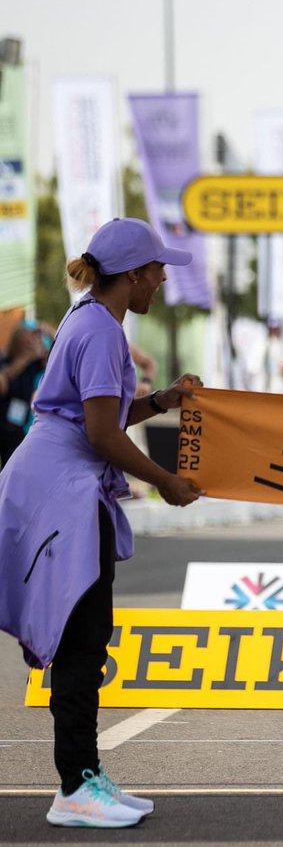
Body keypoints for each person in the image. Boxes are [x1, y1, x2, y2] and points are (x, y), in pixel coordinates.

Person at [0, 218, 204, 828]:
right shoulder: (99, 330)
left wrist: (161, 401)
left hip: (63, 483)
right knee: (82, 641)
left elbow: (102, 415)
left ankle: (84, 779)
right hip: (59, 489)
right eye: (158, 270)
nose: (164, 280)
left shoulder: (94, 321)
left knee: (87, 637)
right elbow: (97, 432)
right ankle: (75, 788)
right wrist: (164, 481)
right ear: (134, 275)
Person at [0, 320, 51, 464]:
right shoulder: (5, 361)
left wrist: (46, 330)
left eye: (33, 338)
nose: (29, 342)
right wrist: (25, 358)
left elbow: (58, 353)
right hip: (6, 431)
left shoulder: (35, 365)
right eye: (25, 338)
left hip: (26, 430)